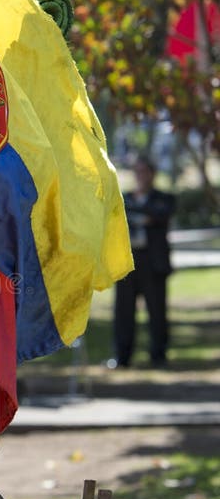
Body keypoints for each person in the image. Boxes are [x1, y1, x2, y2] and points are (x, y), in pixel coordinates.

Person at [111, 155, 175, 368]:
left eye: (144, 171)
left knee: (157, 312)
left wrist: (138, 215)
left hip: (153, 263)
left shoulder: (163, 198)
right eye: (137, 172)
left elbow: (161, 215)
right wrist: (145, 218)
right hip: (128, 262)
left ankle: (158, 356)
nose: (140, 176)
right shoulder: (124, 198)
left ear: (152, 174)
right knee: (123, 312)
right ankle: (123, 357)